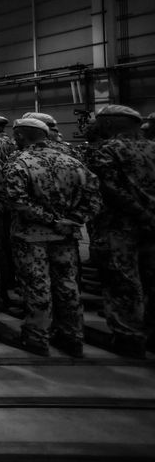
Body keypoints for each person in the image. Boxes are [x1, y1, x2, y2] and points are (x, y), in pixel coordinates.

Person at [1, 117, 101, 357]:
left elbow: (16, 201)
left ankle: (37, 336)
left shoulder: (20, 162)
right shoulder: (73, 162)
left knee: (37, 285)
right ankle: (72, 336)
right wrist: (74, 220)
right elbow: (95, 198)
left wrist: (49, 220)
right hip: (66, 236)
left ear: (21, 136)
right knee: (68, 285)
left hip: (31, 237)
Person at [84, 104, 155, 358]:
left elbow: (108, 188)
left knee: (122, 282)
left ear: (111, 124)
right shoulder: (152, 147)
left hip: (120, 227)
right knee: (150, 280)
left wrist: (139, 212)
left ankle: (128, 337)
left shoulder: (111, 149)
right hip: (150, 226)